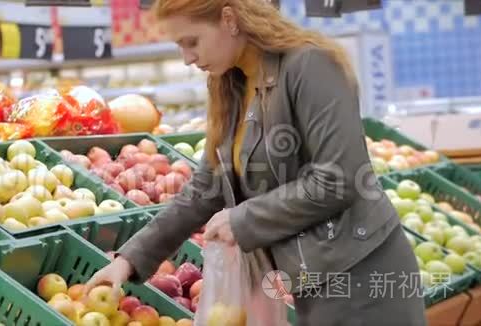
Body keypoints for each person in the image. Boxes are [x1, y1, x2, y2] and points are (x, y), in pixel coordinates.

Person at [84, 0, 428, 325]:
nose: (187, 57)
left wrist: (243, 219)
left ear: (230, 20)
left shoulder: (310, 65)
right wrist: (127, 262)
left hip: (364, 277)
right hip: (311, 281)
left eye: (192, 41)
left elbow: (338, 177)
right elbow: (205, 188)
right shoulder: (230, 84)